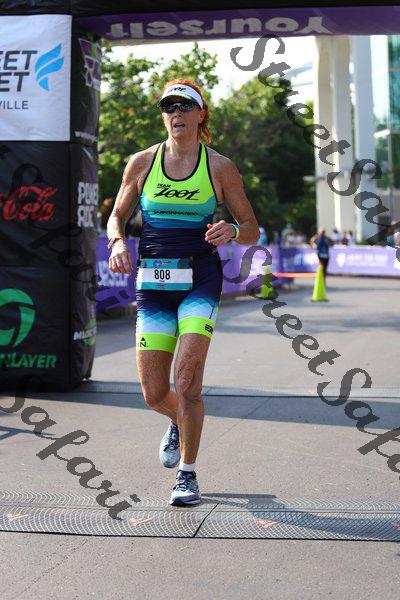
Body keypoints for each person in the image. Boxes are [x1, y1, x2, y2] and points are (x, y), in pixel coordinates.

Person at [107, 79, 259, 507]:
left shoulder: (220, 167)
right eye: (169, 107)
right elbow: (116, 217)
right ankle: (178, 420)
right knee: (155, 393)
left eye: (185, 106)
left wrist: (233, 230)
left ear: (200, 114)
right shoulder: (142, 163)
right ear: (163, 116)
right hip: (154, 287)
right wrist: (117, 243)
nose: (176, 113)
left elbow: (251, 228)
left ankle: (187, 474)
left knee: (188, 382)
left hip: (199, 282)